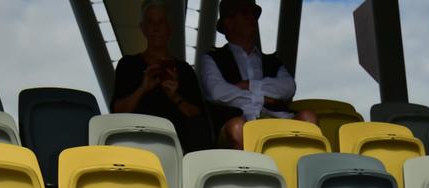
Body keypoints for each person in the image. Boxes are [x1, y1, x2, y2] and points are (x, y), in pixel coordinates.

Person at [200, 0, 317, 148]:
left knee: (309, 117)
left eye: (255, 14)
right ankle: (248, 170)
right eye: (245, 13)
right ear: (228, 22)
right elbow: (217, 92)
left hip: (278, 120)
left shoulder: (273, 61)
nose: (252, 18)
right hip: (238, 122)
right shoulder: (212, 58)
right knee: (236, 128)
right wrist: (265, 99)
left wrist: (249, 85)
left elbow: (289, 87)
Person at [111, 0, 213, 153]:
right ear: (143, 28)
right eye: (151, 22)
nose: (156, 28)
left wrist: (175, 96)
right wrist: (142, 89)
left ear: (169, 28)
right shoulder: (128, 65)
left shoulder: (184, 70)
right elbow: (117, 112)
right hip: (139, 137)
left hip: (178, 141)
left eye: (161, 22)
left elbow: (199, 117)